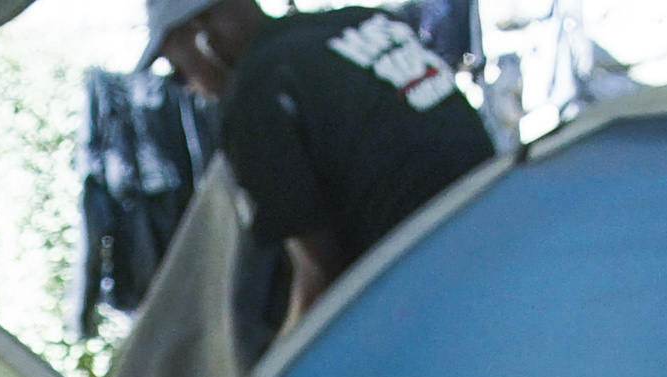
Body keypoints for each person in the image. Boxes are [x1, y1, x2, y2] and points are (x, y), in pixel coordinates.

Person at [149, 0, 495, 327]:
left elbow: (322, 274)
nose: (191, 88)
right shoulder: (360, 21)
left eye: (181, 72)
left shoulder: (254, 95)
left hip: (426, 285)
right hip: (500, 227)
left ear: (202, 36)